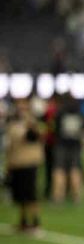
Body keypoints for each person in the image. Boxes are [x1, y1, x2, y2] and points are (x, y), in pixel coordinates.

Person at [4, 99, 44, 234]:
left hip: (29, 163)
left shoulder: (32, 125)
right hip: (16, 163)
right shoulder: (13, 125)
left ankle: (36, 222)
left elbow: (32, 137)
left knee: (30, 194)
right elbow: (10, 147)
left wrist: (29, 122)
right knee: (20, 195)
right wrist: (8, 163)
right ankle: (23, 222)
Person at [51, 95, 84, 203]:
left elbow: (55, 129)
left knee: (59, 169)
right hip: (76, 145)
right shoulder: (80, 113)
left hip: (61, 144)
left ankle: (58, 196)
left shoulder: (60, 113)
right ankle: (77, 197)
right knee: (75, 169)